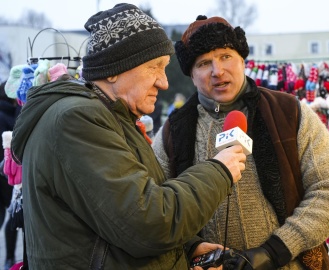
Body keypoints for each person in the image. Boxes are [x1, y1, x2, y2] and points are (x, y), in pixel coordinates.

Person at [10, 4, 246, 269]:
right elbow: (147, 222)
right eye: (154, 67)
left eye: (165, 68)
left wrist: (188, 247)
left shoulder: (112, 117)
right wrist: (219, 169)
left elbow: (115, 216)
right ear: (114, 69)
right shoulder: (77, 120)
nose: (164, 82)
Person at [152, 15, 329, 269]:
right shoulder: (173, 131)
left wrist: (273, 251)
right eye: (204, 63)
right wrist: (191, 245)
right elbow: (155, 207)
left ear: (242, 61)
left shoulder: (289, 112)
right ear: (191, 75)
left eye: (226, 56)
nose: (218, 71)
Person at [0, 81, 20, 270]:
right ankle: (9, 259)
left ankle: (9, 259)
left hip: (5, 172)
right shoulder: (9, 114)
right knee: (13, 214)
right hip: (6, 173)